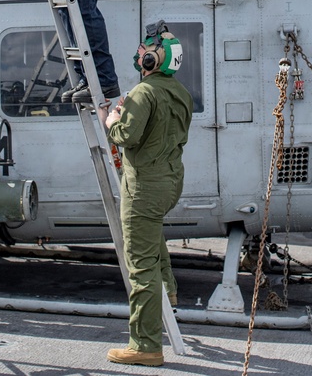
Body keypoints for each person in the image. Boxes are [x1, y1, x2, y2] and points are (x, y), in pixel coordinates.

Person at [103, 21, 193, 367]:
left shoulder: (144, 93)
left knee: (139, 266)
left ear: (155, 59)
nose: (140, 53)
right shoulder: (179, 92)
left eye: (146, 50)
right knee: (152, 236)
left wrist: (112, 119)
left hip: (143, 186)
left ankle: (144, 345)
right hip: (170, 182)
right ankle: (168, 288)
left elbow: (126, 135)